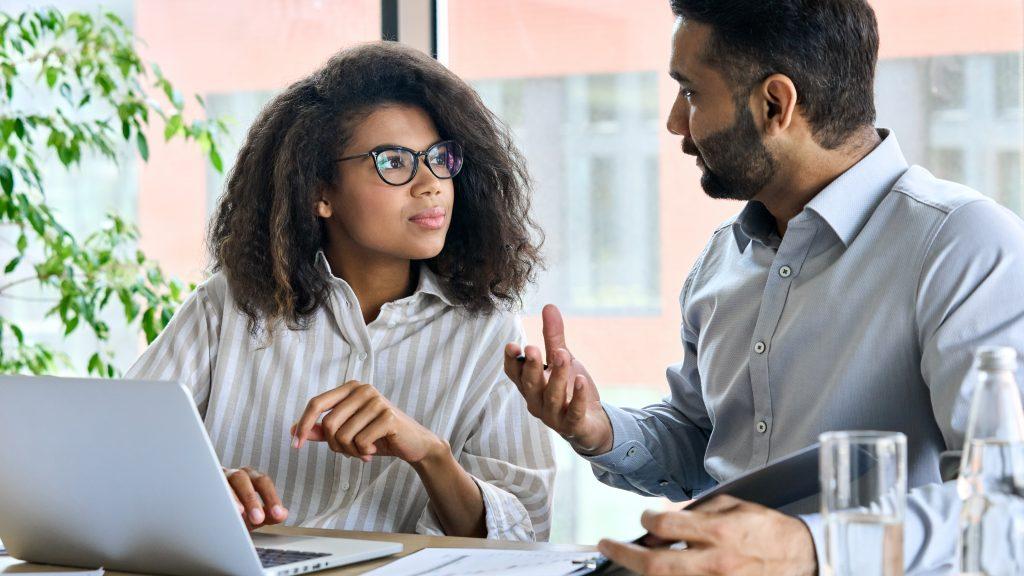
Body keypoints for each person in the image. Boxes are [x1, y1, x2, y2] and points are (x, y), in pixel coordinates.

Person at [504, 0, 1024, 573]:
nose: (676, 122)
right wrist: (598, 427)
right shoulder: (722, 260)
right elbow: (703, 446)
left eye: (692, 93)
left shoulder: (964, 246)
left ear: (775, 103)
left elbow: (1008, 504)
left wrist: (806, 548)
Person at [128, 42, 555, 541]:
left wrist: (431, 454)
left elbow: (526, 536)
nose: (431, 183)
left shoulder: (487, 330)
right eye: (393, 161)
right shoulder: (228, 307)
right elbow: (114, 451)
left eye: (440, 158)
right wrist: (201, 486)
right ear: (319, 193)